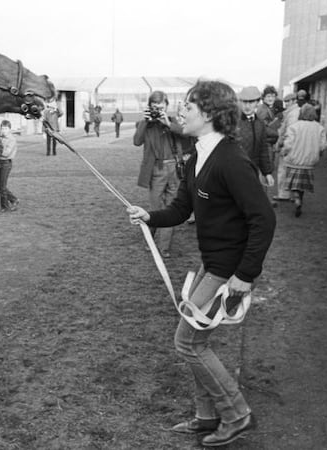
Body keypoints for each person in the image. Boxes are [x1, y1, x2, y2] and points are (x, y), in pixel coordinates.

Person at [128, 80, 274, 446]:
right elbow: (182, 208)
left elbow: (263, 219)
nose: (181, 111)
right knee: (195, 342)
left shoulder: (232, 159)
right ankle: (206, 417)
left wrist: (245, 275)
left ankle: (237, 415)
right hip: (213, 264)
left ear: (209, 114)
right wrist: (149, 215)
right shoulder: (198, 156)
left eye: (188, 106)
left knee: (189, 343)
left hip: (227, 269)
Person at [133, 90, 182, 258]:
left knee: (171, 209)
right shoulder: (146, 124)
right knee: (155, 208)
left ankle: (164, 248)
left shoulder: (173, 122)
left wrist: (167, 123)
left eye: (161, 107)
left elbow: (185, 134)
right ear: (149, 107)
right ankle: (151, 240)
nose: (157, 111)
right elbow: (137, 141)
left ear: (167, 106)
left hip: (174, 169)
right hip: (156, 169)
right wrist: (146, 121)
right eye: (154, 107)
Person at [280, 104, 327, 217]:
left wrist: (283, 152)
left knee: (293, 184)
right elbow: (323, 145)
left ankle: (296, 197)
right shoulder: (319, 128)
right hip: (309, 162)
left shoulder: (294, 127)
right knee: (302, 185)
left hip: (293, 160)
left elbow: (288, 145)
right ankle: (299, 198)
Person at [236, 86, 275, 188]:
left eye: (251, 102)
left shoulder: (260, 123)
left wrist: (267, 173)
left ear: (258, 102)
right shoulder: (233, 123)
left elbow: (263, 149)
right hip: (234, 172)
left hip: (253, 171)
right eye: (244, 102)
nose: (247, 106)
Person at [274, 93, 301, 203]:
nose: (286, 104)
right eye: (286, 102)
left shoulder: (293, 114)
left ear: (294, 101)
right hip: (294, 144)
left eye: (288, 101)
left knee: (283, 170)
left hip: (288, 144)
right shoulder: (294, 112)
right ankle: (290, 194)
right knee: (290, 170)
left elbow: (289, 131)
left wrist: (281, 144)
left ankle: (284, 194)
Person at [0, 120, 19, 211]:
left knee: (2, 185)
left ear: (9, 129)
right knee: (0, 185)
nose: (4, 130)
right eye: (2, 128)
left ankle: (5, 206)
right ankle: (13, 199)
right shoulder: (0, 137)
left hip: (6, 163)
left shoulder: (11, 139)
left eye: (5, 128)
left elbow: (6, 153)